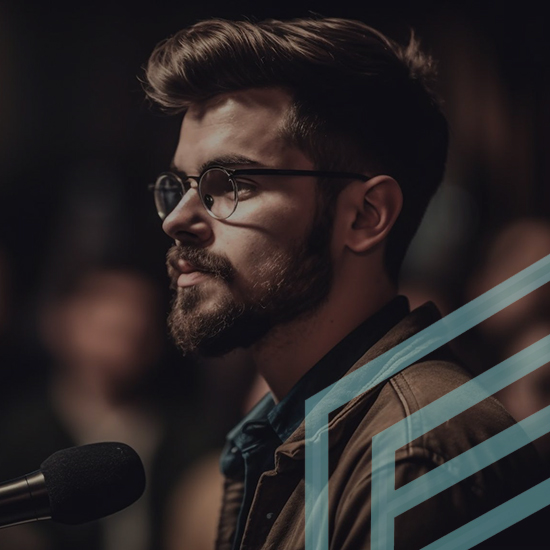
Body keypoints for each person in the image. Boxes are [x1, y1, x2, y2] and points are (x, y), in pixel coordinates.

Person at [143, 17, 547, 549]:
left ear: (364, 216)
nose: (176, 219)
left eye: (229, 184)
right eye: (180, 186)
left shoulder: (413, 459)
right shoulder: (285, 436)